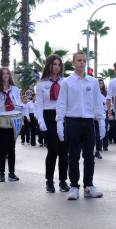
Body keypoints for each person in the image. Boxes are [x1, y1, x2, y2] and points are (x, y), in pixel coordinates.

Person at [56, 51, 106, 200]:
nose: (82, 63)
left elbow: (98, 102)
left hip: (89, 122)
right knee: (74, 157)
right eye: (79, 60)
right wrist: (59, 122)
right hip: (72, 121)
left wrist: (101, 121)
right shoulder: (67, 82)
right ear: (73, 63)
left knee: (89, 156)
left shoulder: (93, 82)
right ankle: (74, 187)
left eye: (84, 60)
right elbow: (61, 104)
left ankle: (89, 186)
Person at [35, 54, 70, 193]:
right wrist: (41, 120)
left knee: (63, 150)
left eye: (59, 64)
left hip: (62, 116)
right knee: (53, 149)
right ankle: (49, 180)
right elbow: (39, 105)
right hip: (48, 117)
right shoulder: (42, 84)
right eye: (54, 64)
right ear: (49, 65)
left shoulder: (65, 82)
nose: (57, 67)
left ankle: (63, 180)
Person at [0, 67, 24, 182]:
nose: (6, 75)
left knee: (11, 148)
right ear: (0, 76)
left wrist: (22, 106)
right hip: (0, 120)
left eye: (7, 73)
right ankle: (2, 173)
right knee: (3, 148)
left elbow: (17, 105)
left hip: (13, 121)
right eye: (3, 74)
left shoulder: (15, 90)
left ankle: (12, 173)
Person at [96, 79, 109, 153]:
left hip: (105, 111)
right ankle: (99, 146)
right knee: (98, 129)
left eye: (102, 83)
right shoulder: (95, 92)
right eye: (99, 83)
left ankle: (105, 145)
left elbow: (108, 102)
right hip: (98, 112)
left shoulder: (105, 93)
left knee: (105, 128)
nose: (101, 84)